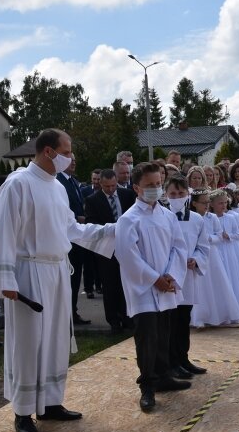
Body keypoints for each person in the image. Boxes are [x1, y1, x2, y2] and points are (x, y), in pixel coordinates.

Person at [0, 128, 116, 432]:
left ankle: (50, 402)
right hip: (29, 272)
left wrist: (114, 231)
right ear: (48, 151)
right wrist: (5, 278)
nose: (71, 158)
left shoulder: (57, 188)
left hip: (58, 270)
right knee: (29, 342)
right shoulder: (18, 184)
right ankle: (23, 410)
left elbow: (71, 228)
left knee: (56, 336)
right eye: (67, 151)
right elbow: (3, 231)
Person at [115, 163, 190, 412]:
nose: (156, 189)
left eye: (158, 184)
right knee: (147, 338)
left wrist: (171, 275)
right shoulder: (128, 220)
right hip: (144, 289)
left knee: (164, 334)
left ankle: (164, 376)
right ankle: (147, 385)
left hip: (166, 286)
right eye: (150, 185)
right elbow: (128, 256)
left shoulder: (167, 216)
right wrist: (154, 278)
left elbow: (178, 247)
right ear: (136, 187)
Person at [165, 175, 209, 378]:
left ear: (187, 194)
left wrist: (196, 259)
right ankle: (170, 361)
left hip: (188, 276)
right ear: (166, 195)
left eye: (180, 193)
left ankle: (183, 358)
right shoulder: (163, 217)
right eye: (172, 193)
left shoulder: (197, 219)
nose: (176, 197)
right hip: (169, 277)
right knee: (170, 322)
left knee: (184, 320)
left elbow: (203, 246)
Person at [85, 169, 136, 333]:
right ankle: (113, 320)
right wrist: (109, 230)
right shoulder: (93, 200)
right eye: (107, 187)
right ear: (100, 184)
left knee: (126, 284)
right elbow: (91, 224)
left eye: (113, 185)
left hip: (127, 247)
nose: (111, 189)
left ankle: (127, 317)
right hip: (106, 249)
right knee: (109, 285)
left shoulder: (127, 195)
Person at [190, 189, 239, 327]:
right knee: (200, 285)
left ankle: (220, 313)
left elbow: (220, 235)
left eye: (208, 202)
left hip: (212, 254)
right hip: (195, 254)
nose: (206, 205)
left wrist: (209, 238)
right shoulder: (191, 217)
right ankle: (200, 316)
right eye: (203, 203)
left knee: (216, 282)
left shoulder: (212, 218)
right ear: (194, 203)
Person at [56, 153, 92, 324]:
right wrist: (77, 217)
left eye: (75, 159)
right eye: (70, 159)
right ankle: (68, 313)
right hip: (67, 236)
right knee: (70, 278)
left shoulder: (73, 181)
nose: (74, 162)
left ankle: (73, 310)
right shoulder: (58, 182)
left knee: (76, 277)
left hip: (78, 237)